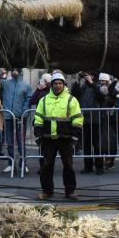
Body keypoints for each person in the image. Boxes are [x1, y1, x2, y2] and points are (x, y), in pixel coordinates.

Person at [34, 72, 83, 200]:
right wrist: (38, 135)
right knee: (46, 166)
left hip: (65, 139)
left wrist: (75, 137)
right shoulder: (43, 100)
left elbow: (77, 120)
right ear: (51, 85)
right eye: (55, 83)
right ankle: (47, 191)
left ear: (63, 85)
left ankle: (70, 191)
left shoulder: (71, 100)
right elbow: (38, 119)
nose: (58, 86)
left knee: (68, 166)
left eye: (60, 83)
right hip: (48, 139)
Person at [0, 67, 31, 173]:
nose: (14, 71)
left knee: (21, 142)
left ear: (20, 72)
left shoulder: (26, 85)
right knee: (9, 142)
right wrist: (0, 71)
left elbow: (28, 99)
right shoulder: (6, 83)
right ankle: (11, 163)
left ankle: (23, 163)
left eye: (16, 70)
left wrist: (24, 112)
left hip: (21, 117)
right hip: (9, 116)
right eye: (12, 70)